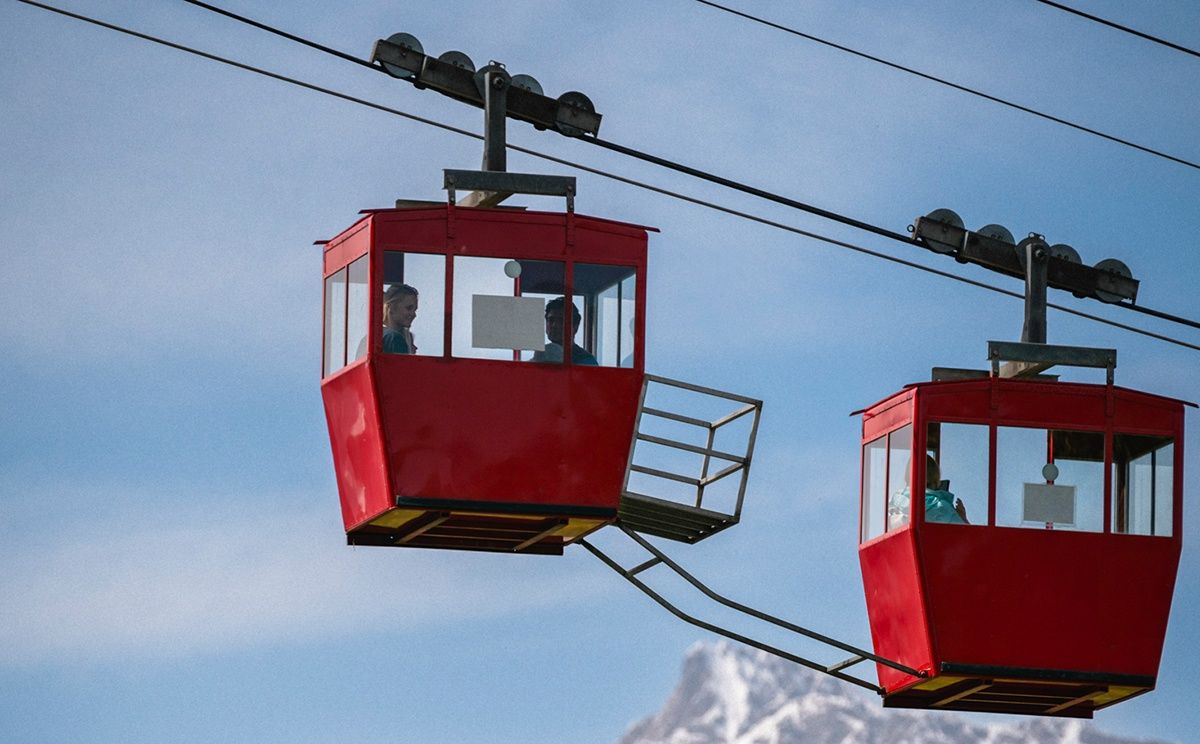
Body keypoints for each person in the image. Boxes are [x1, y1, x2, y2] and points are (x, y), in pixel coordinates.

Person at [531, 296, 597, 365]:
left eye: (561, 321)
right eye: (551, 320)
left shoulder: (586, 361)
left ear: (575, 326)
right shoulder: (543, 355)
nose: (554, 325)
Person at [923, 456, 968, 524]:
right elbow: (968, 533)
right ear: (936, 481)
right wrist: (963, 519)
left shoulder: (901, 504)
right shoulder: (941, 507)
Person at [382, 283, 418, 354]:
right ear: (392, 308)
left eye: (415, 310)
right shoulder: (394, 338)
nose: (414, 314)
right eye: (409, 308)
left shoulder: (369, 339)